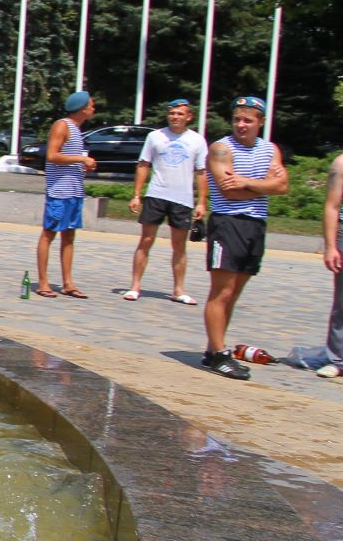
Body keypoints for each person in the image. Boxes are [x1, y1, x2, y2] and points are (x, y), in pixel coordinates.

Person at [201, 96, 289, 380]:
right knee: (222, 291)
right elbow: (229, 191)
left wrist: (248, 182)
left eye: (248, 120)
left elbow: (283, 186)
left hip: (255, 224)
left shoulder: (269, 149)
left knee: (235, 292)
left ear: (260, 122)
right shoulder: (221, 149)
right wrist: (266, 185)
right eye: (237, 119)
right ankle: (219, 355)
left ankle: (214, 348)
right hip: (228, 223)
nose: (241, 125)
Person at [124, 98, 209, 303]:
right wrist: (136, 194)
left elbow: (201, 172)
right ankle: (135, 286)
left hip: (183, 198)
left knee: (179, 245)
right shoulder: (155, 136)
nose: (175, 117)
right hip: (156, 194)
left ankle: (178, 290)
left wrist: (202, 201)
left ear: (189, 117)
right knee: (146, 240)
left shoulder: (197, 140)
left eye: (180, 113)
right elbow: (143, 165)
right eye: (172, 113)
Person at [33, 91, 97, 298]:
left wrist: (84, 165)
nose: (94, 109)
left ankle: (68, 283)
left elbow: (68, 158)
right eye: (91, 105)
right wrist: (81, 159)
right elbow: (52, 155)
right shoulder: (62, 125)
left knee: (69, 236)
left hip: (75, 191)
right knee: (49, 234)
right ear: (82, 108)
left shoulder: (77, 130)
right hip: (59, 192)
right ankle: (43, 282)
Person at [320, 152, 343, 380]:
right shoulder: (341, 163)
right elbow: (332, 206)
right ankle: (338, 360)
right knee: (342, 304)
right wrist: (331, 246)